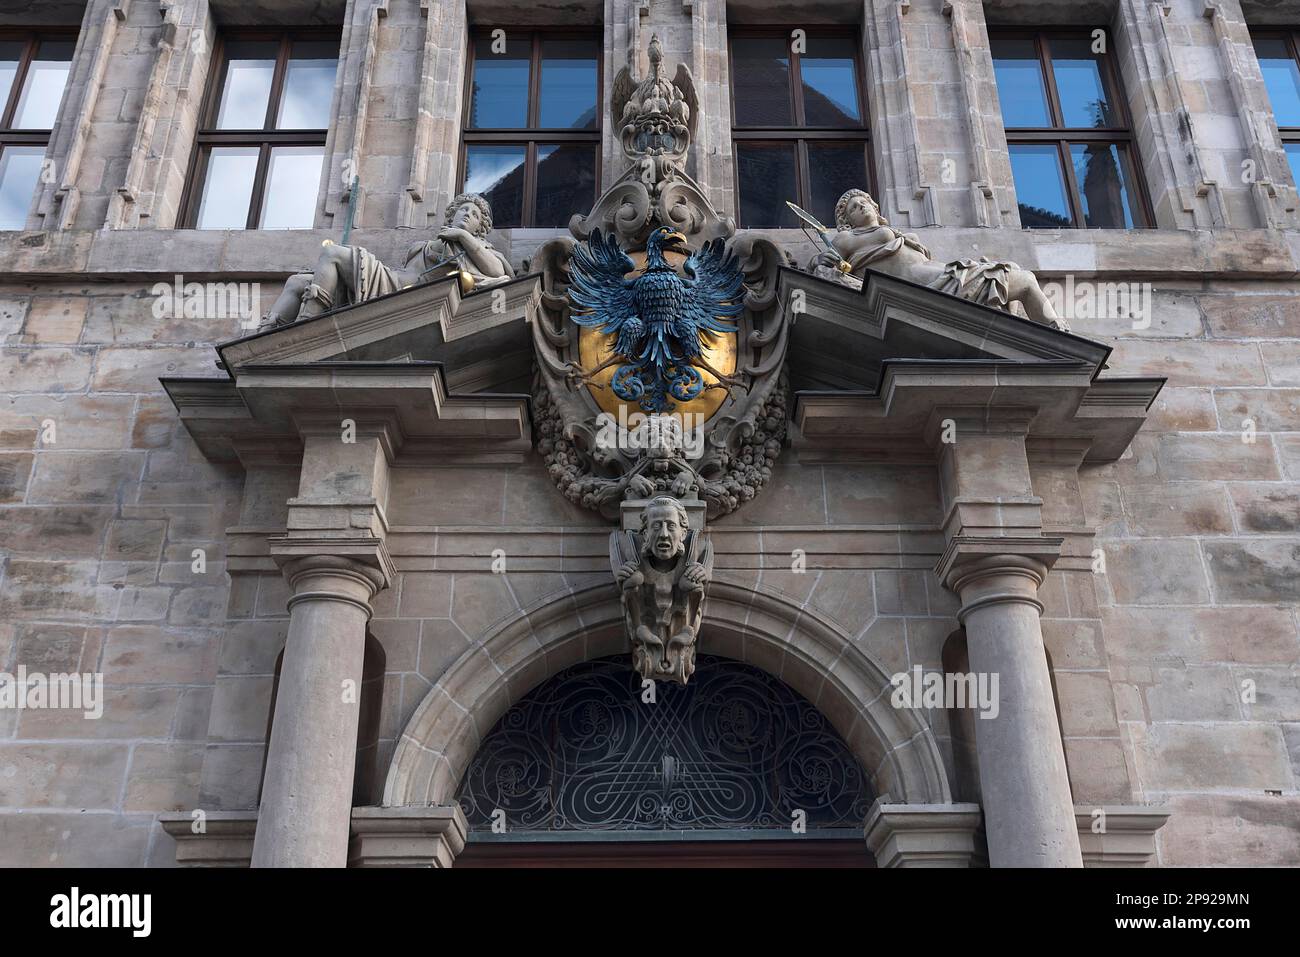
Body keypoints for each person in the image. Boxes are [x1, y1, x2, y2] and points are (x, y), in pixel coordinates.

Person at [811, 188, 1068, 331]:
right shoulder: (846, 239)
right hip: (929, 285)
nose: (861, 207)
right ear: (848, 221)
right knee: (1023, 281)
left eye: (864, 202)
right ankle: (1056, 332)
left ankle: (1054, 331)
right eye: (853, 208)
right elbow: (825, 269)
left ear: (875, 206)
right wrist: (822, 261)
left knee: (1016, 276)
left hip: (943, 274)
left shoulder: (889, 232)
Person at [258, 193, 513, 332]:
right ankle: (264, 337)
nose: (467, 215)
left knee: (332, 254)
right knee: (296, 281)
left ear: (481, 226)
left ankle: (303, 331)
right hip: (389, 282)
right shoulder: (428, 244)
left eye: (474, 214)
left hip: (399, 296)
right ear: (453, 213)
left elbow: (497, 271)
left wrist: (463, 237)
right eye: (463, 210)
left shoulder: (479, 250)